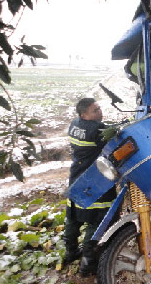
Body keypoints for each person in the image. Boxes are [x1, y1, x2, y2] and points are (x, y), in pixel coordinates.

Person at [63, 98, 116, 276]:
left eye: (99, 108)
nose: (100, 112)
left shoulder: (74, 124)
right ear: (84, 114)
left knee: (73, 216)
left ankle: (70, 252)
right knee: (97, 217)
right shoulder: (97, 130)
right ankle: (88, 262)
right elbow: (115, 135)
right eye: (95, 110)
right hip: (93, 178)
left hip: (76, 174)